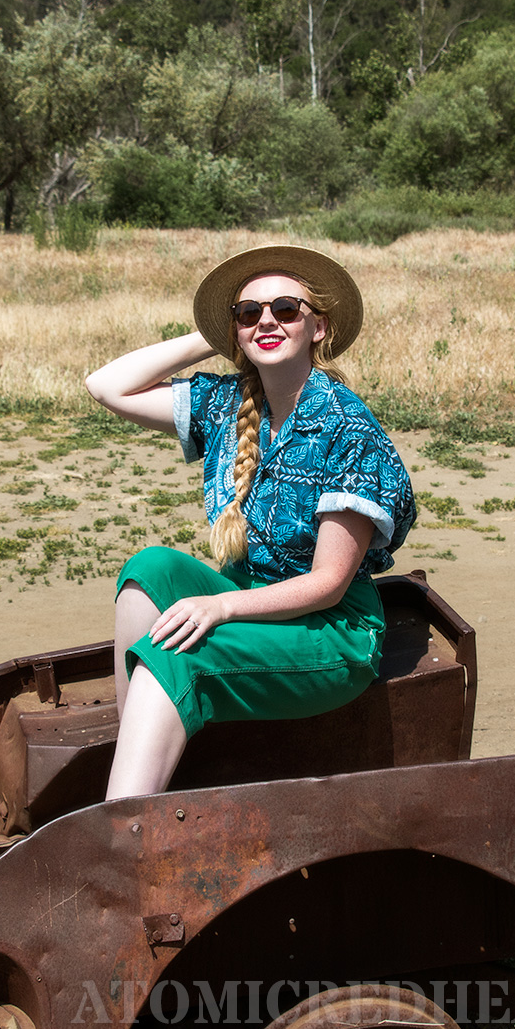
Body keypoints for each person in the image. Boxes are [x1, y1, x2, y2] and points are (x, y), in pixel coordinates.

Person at [84, 244, 416, 800]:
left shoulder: (346, 428)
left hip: (331, 631)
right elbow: (107, 386)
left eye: (286, 309)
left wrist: (222, 606)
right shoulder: (228, 402)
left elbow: (328, 585)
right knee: (149, 570)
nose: (267, 320)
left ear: (319, 327)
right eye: (248, 313)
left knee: (177, 653)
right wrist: (214, 334)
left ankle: (124, 825)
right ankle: (140, 752)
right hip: (254, 592)